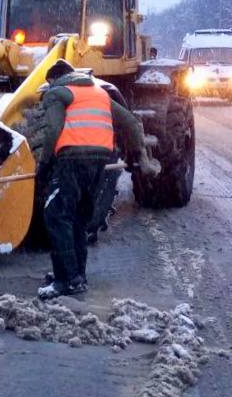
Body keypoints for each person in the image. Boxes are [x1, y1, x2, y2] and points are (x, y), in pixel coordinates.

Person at [30, 59, 151, 300]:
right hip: (99, 162)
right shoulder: (100, 94)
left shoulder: (57, 92)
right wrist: (140, 155)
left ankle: (65, 280)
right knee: (78, 219)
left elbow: (53, 129)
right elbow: (131, 124)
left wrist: (43, 164)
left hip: (71, 160)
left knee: (56, 215)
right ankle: (77, 276)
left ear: (53, 79)